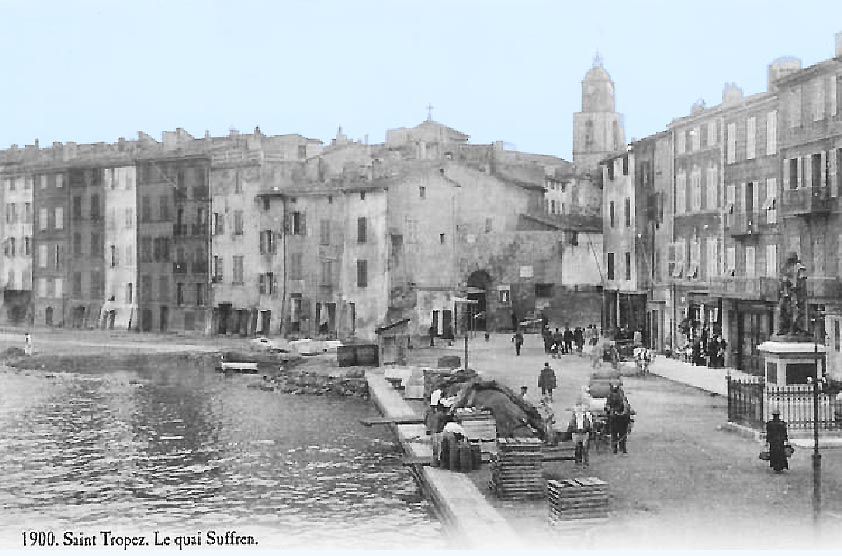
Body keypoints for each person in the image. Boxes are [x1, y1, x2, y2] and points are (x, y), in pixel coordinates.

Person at [605, 384, 631, 454]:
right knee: (615, 433)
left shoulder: (622, 397)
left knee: (622, 433)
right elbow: (607, 406)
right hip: (614, 417)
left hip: (621, 417)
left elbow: (626, 406)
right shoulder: (610, 396)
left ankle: (622, 447)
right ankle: (616, 448)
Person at [568, 398, 593, 468]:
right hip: (576, 434)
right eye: (578, 407)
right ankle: (578, 461)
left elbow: (588, 425)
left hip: (584, 434)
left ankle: (586, 462)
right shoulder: (574, 417)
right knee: (577, 448)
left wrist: (585, 429)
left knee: (585, 449)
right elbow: (571, 425)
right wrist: (574, 430)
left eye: (580, 407)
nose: (579, 409)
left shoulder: (586, 416)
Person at [765, 408, 789, 473]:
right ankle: (780, 465)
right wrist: (786, 440)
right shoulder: (782, 424)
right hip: (780, 441)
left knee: (774, 453)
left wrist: (767, 441)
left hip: (773, 441)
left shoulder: (769, 424)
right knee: (781, 453)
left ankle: (775, 465)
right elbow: (785, 433)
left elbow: (768, 434)